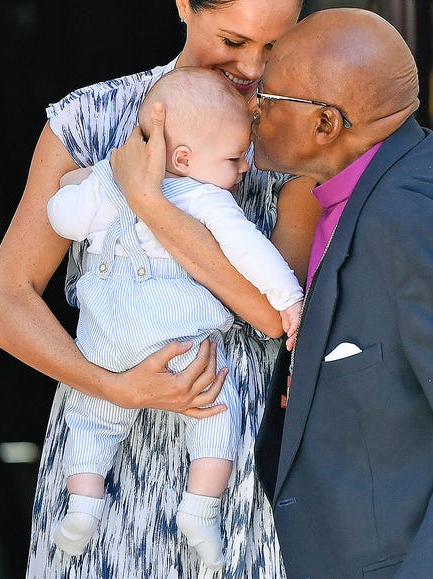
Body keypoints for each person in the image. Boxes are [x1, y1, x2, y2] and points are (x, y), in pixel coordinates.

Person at [0, 0, 316, 577]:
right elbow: (2, 304)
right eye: (234, 39)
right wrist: (118, 388)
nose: (252, 68)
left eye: (274, 46)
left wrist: (150, 205)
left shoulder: (288, 144)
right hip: (96, 488)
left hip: (226, 494)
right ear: (185, 3)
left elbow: (273, 314)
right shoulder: (90, 119)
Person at [248, 8, 433, 577]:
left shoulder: (410, 218)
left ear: (326, 124)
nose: (253, 110)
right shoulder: (360, 189)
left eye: (269, 96)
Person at [44, 68, 303, 572]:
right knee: (213, 413)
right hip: (178, 338)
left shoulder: (110, 180)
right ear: (184, 159)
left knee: (92, 421)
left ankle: (82, 506)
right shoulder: (207, 198)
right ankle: (200, 510)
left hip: (107, 342)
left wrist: (79, 182)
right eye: (234, 158)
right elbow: (254, 255)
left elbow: (64, 220)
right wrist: (290, 299)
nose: (245, 168)